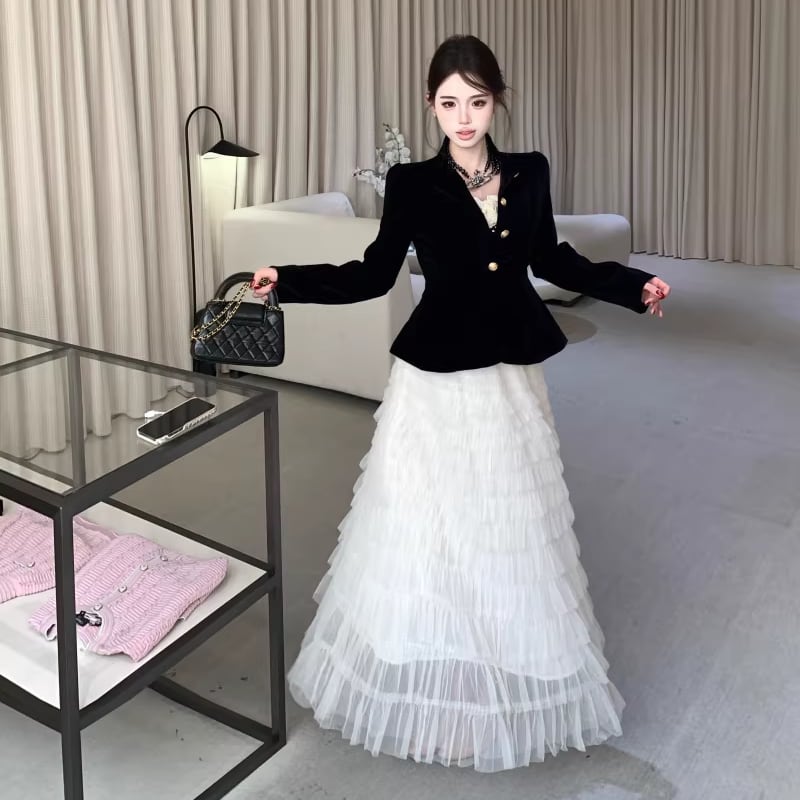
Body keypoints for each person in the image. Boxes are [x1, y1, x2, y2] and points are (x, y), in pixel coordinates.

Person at [252, 34, 670, 773]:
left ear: (496, 101)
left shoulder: (530, 171)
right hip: (436, 376)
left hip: (507, 372)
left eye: (477, 101)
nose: (464, 117)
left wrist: (634, 287)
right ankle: (440, 695)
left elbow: (552, 259)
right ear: (431, 106)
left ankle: (491, 688)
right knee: (433, 525)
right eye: (449, 103)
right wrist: (286, 279)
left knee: (504, 524)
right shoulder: (411, 182)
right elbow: (373, 273)